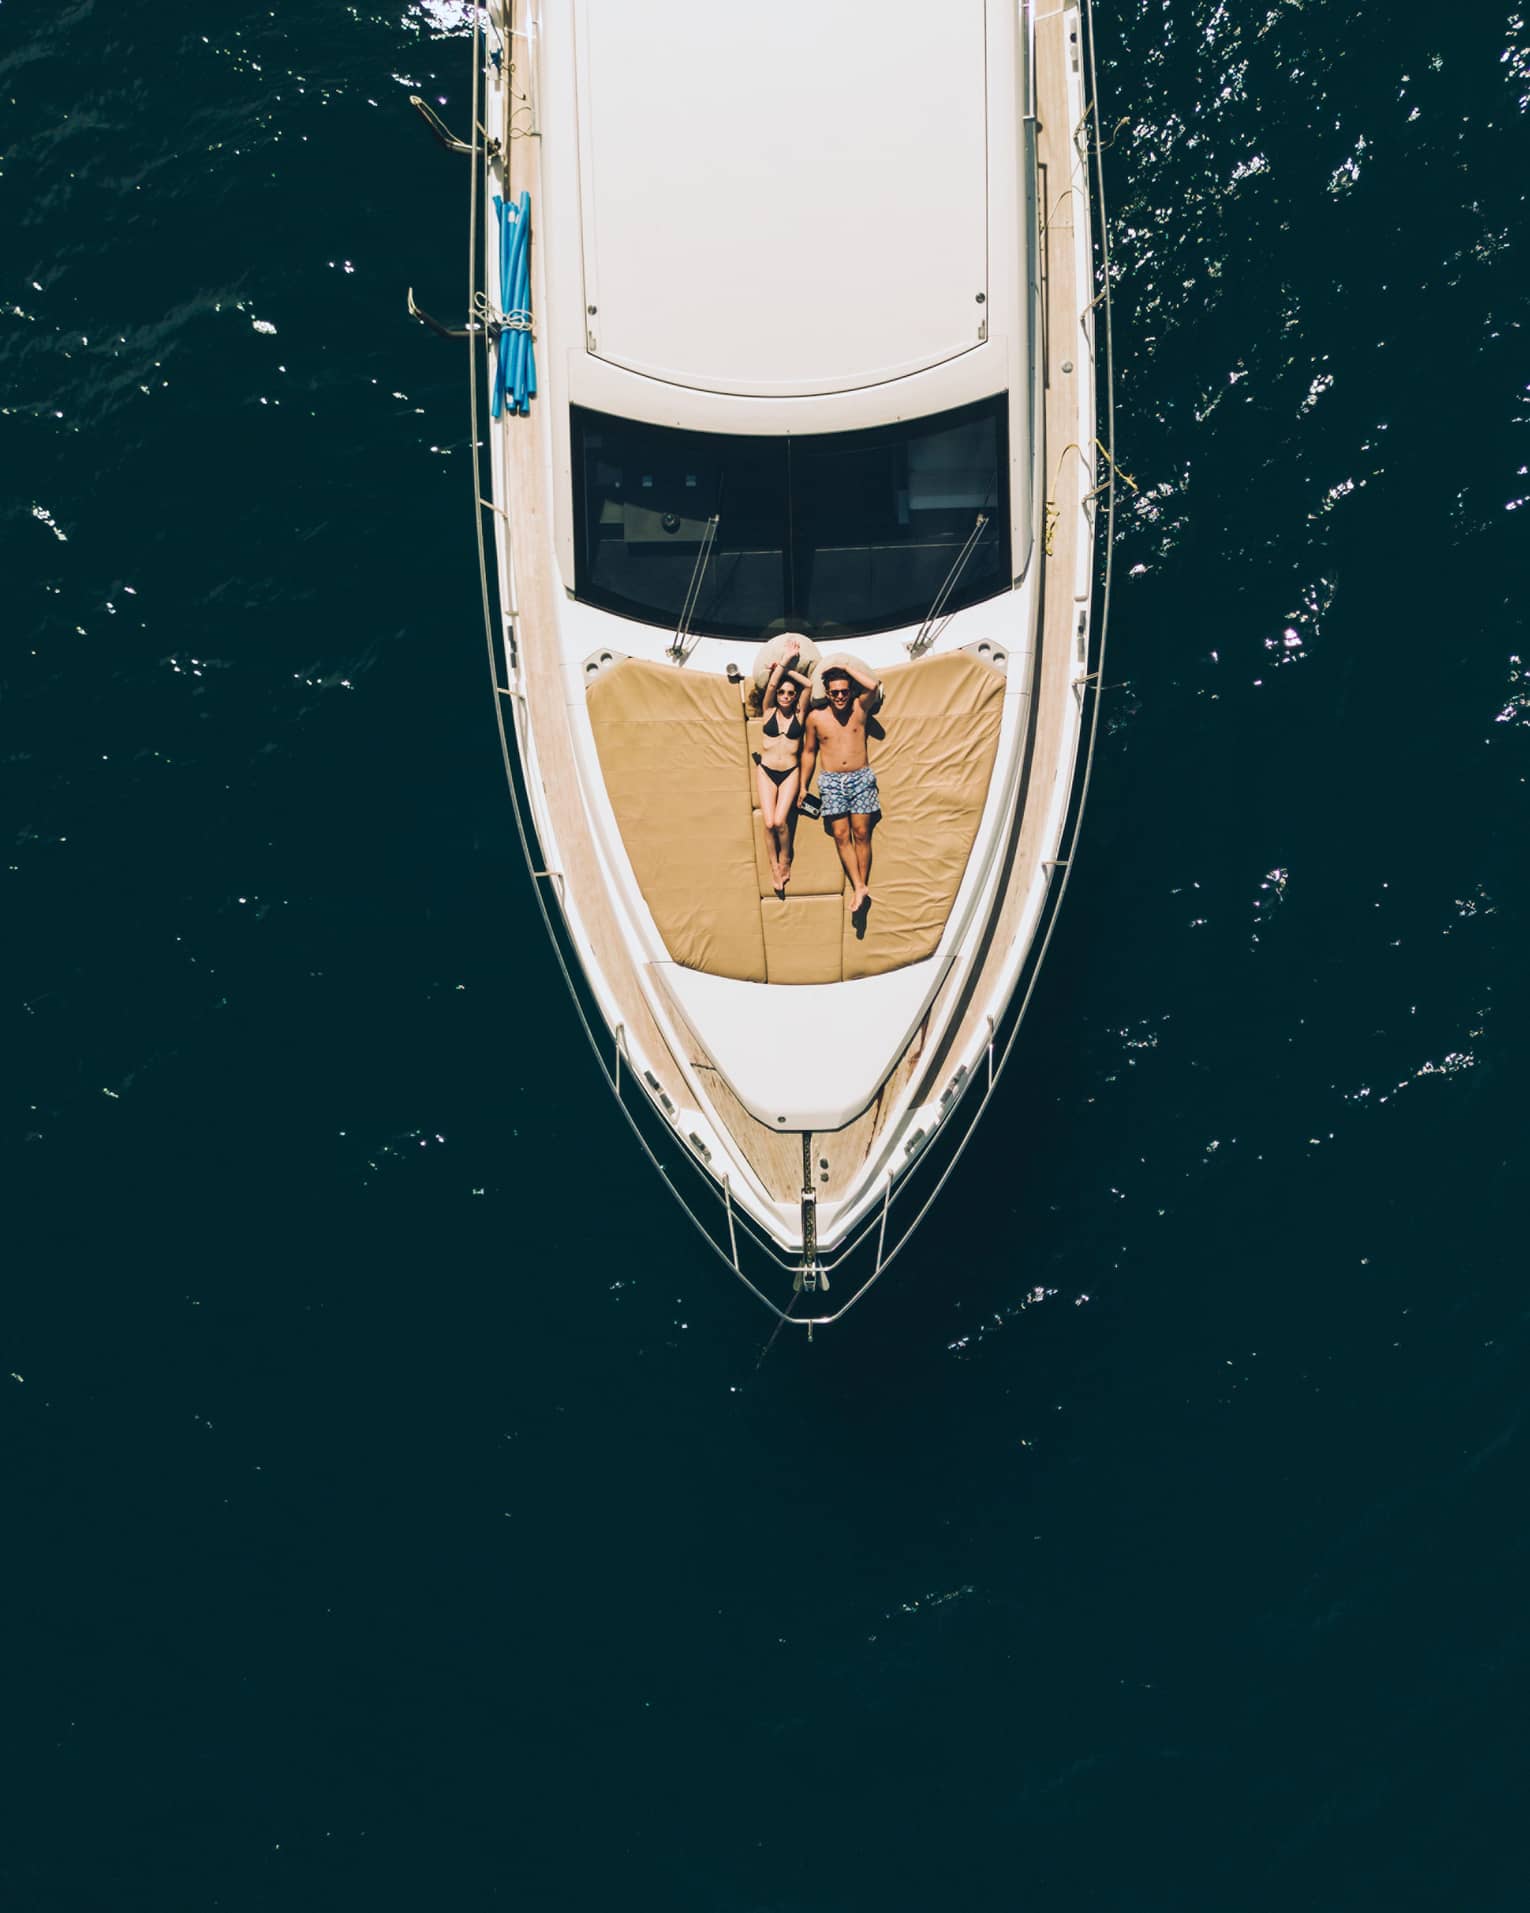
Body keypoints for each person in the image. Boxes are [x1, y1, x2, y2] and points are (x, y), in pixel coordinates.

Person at [799, 657, 883, 917]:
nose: (839, 697)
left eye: (844, 691)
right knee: (840, 835)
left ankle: (860, 886)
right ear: (826, 692)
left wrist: (846, 669)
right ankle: (859, 885)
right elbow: (809, 752)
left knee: (861, 834)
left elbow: (874, 686)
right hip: (831, 782)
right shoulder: (815, 718)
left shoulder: (859, 708)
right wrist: (803, 785)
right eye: (834, 692)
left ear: (850, 691)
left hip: (860, 778)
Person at [752, 646, 814, 895]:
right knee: (768, 823)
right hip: (766, 771)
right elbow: (770, 687)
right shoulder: (768, 711)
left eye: (790, 693)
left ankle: (786, 858)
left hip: (789, 772)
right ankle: (774, 867)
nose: (785, 696)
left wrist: (786, 668)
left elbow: (808, 686)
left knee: (780, 822)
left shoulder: (800, 713)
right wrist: (781, 667)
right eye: (782, 693)